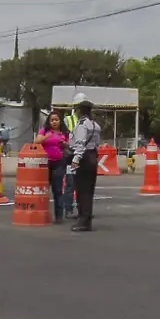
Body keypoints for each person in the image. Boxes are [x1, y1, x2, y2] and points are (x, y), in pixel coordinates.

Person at [67, 97, 103, 232]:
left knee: (82, 191)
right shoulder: (95, 125)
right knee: (89, 190)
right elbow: (97, 143)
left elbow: (80, 144)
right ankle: (86, 219)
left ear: (80, 111)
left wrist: (75, 160)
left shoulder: (82, 125)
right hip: (93, 157)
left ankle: (83, 220)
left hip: (84, 158)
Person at [36, 109, 71, 222]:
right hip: (45, 163)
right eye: (52, 120)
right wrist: (48, 135)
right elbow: (37, 141)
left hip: (59, 163)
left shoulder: (65, 133)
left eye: (56, 120)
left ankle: (59, 216)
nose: (54, 122)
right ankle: (41, 214)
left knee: (57, 190)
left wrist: (64, 144)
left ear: (60, 121)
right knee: (43, 189)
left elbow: (70, 145)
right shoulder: (44, 131)